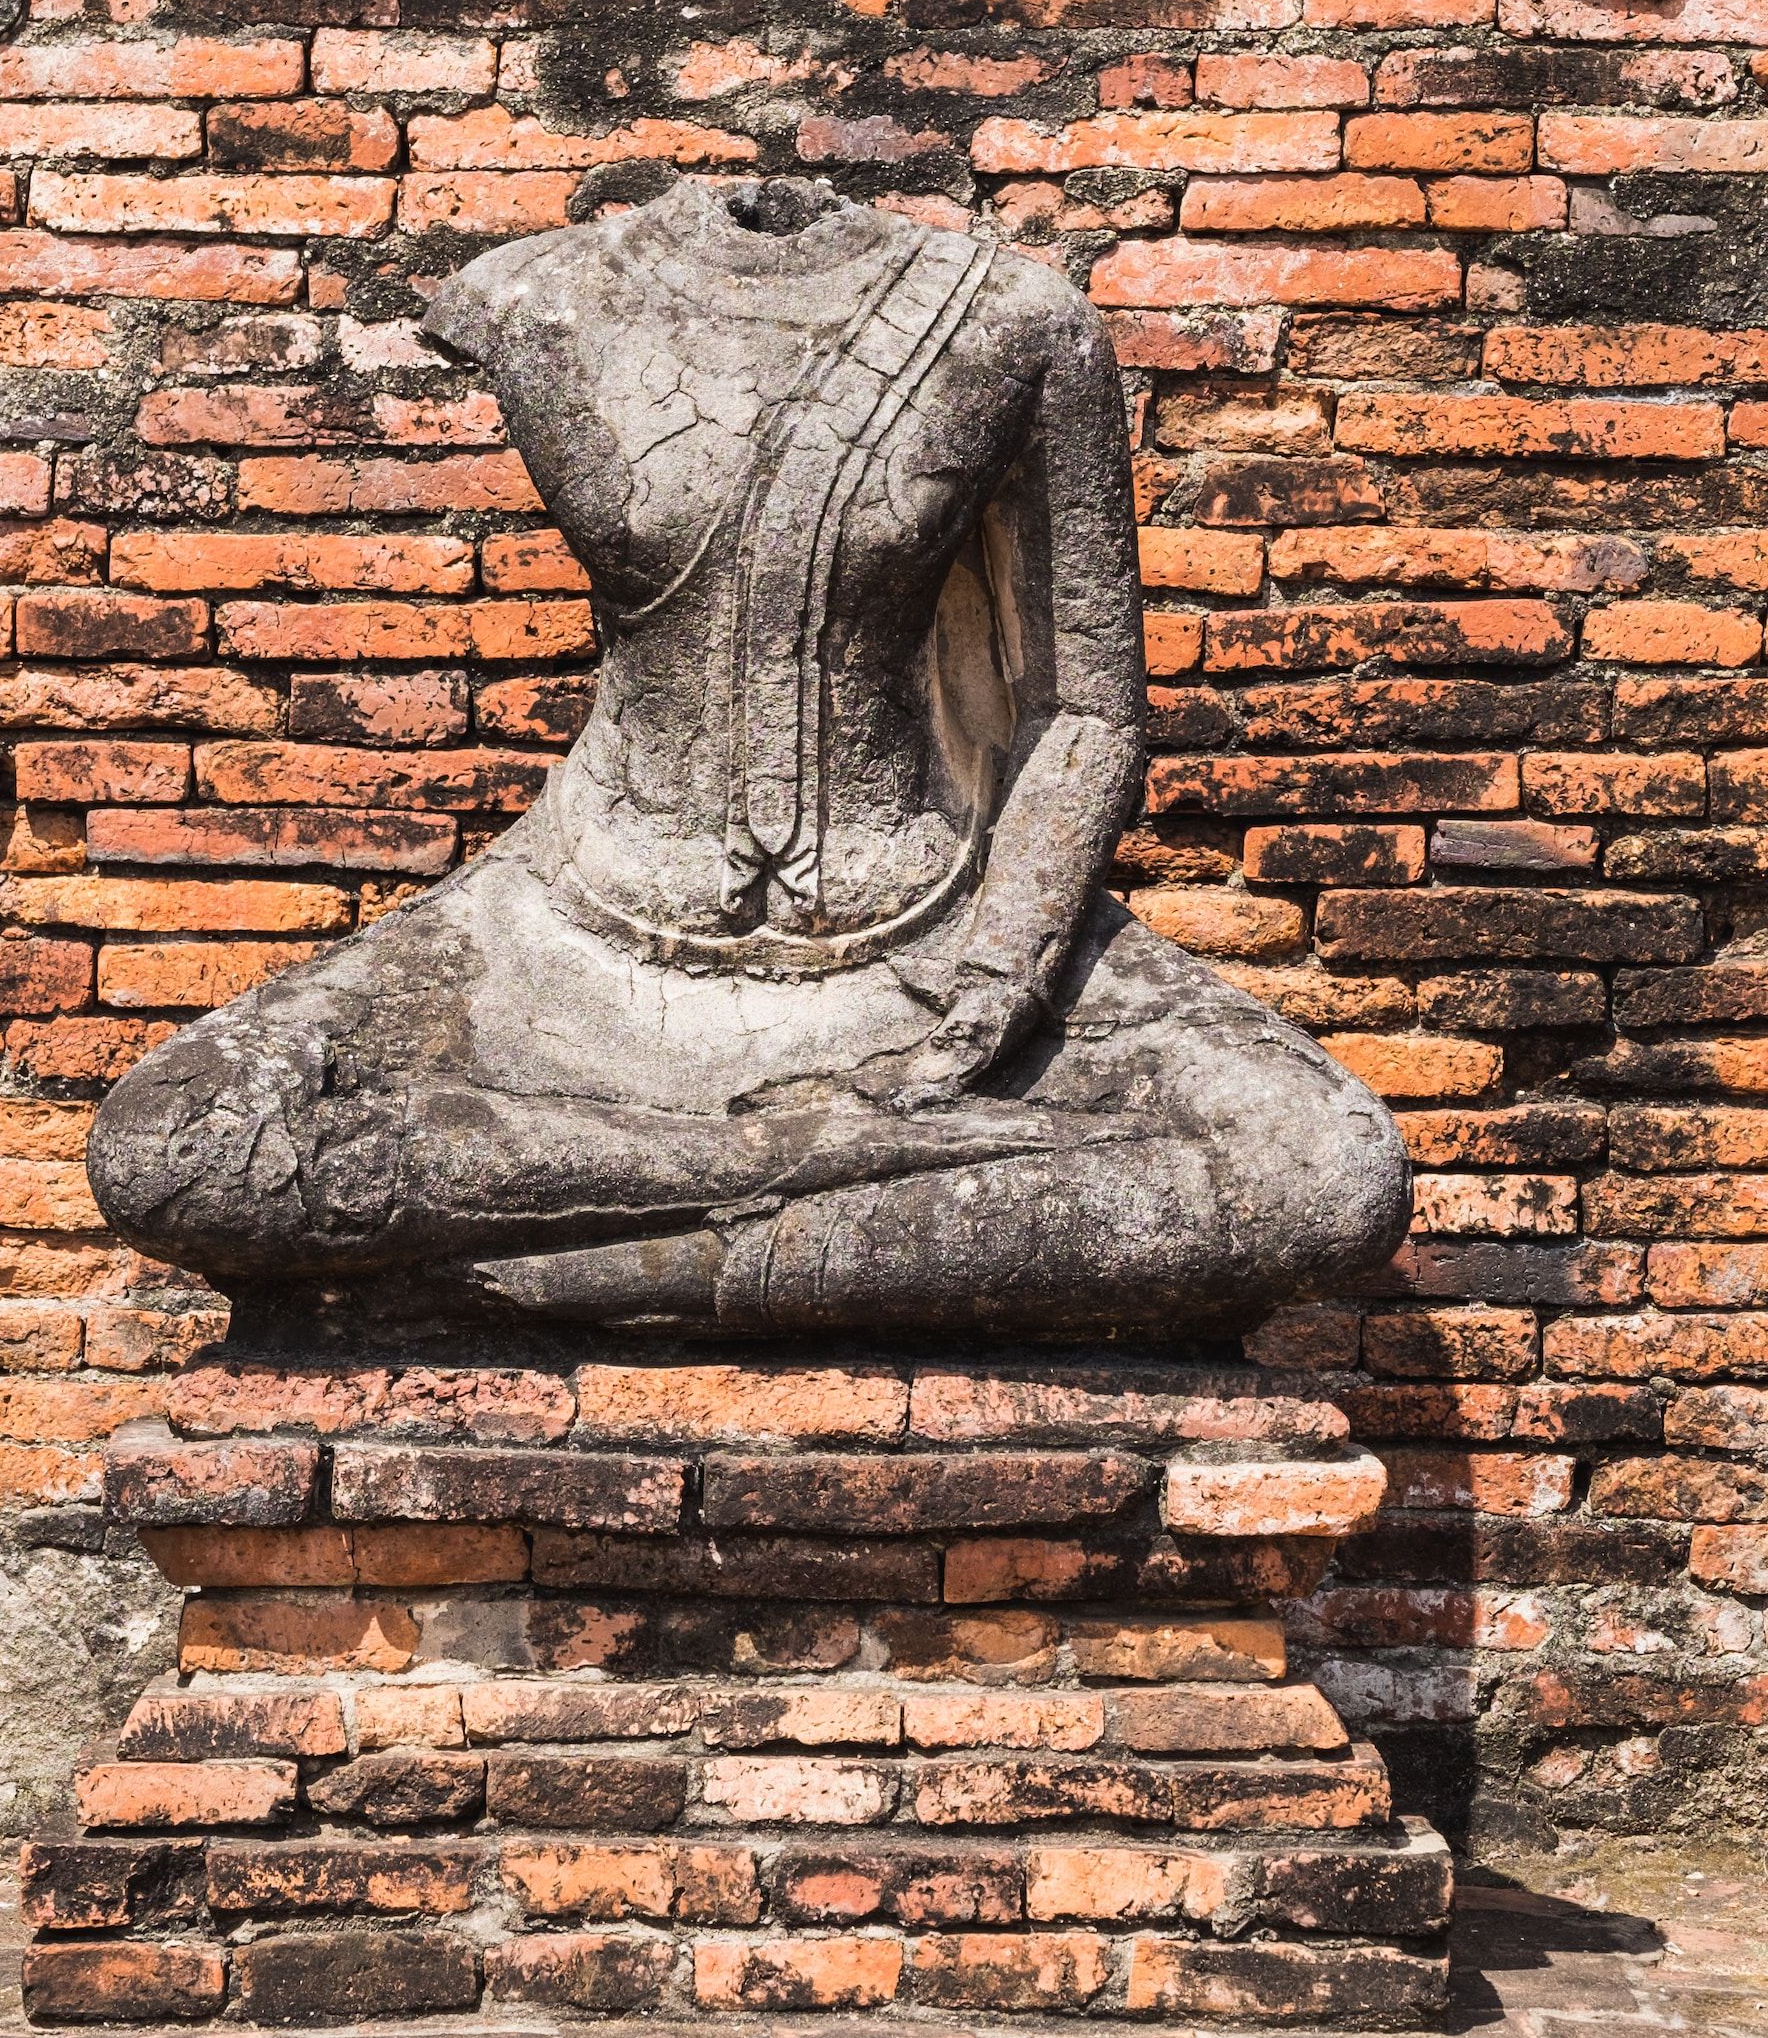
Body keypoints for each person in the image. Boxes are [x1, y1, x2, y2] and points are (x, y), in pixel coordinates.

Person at [88, 177, 1408, 1342]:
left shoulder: (1016, 324)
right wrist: (794, 1148)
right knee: (171, 1147)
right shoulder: (540, 296)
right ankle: (797, 1170)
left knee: (1325, 1174)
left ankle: (630, 1269)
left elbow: (1086, 712)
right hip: (571, 929)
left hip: (924, 944)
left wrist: (1000, 976)